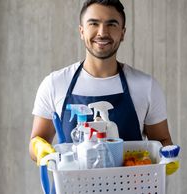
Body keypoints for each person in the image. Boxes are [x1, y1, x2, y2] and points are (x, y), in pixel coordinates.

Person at [29, 0, 178, 175]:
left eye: (111, 24)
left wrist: (167, 158)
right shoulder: (55, 84)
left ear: (122, 33)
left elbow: (161, 139)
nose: (102, 32)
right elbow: (36, 141)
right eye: (94, 23)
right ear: (81, 31)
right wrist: (41, 150)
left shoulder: (146, 86)